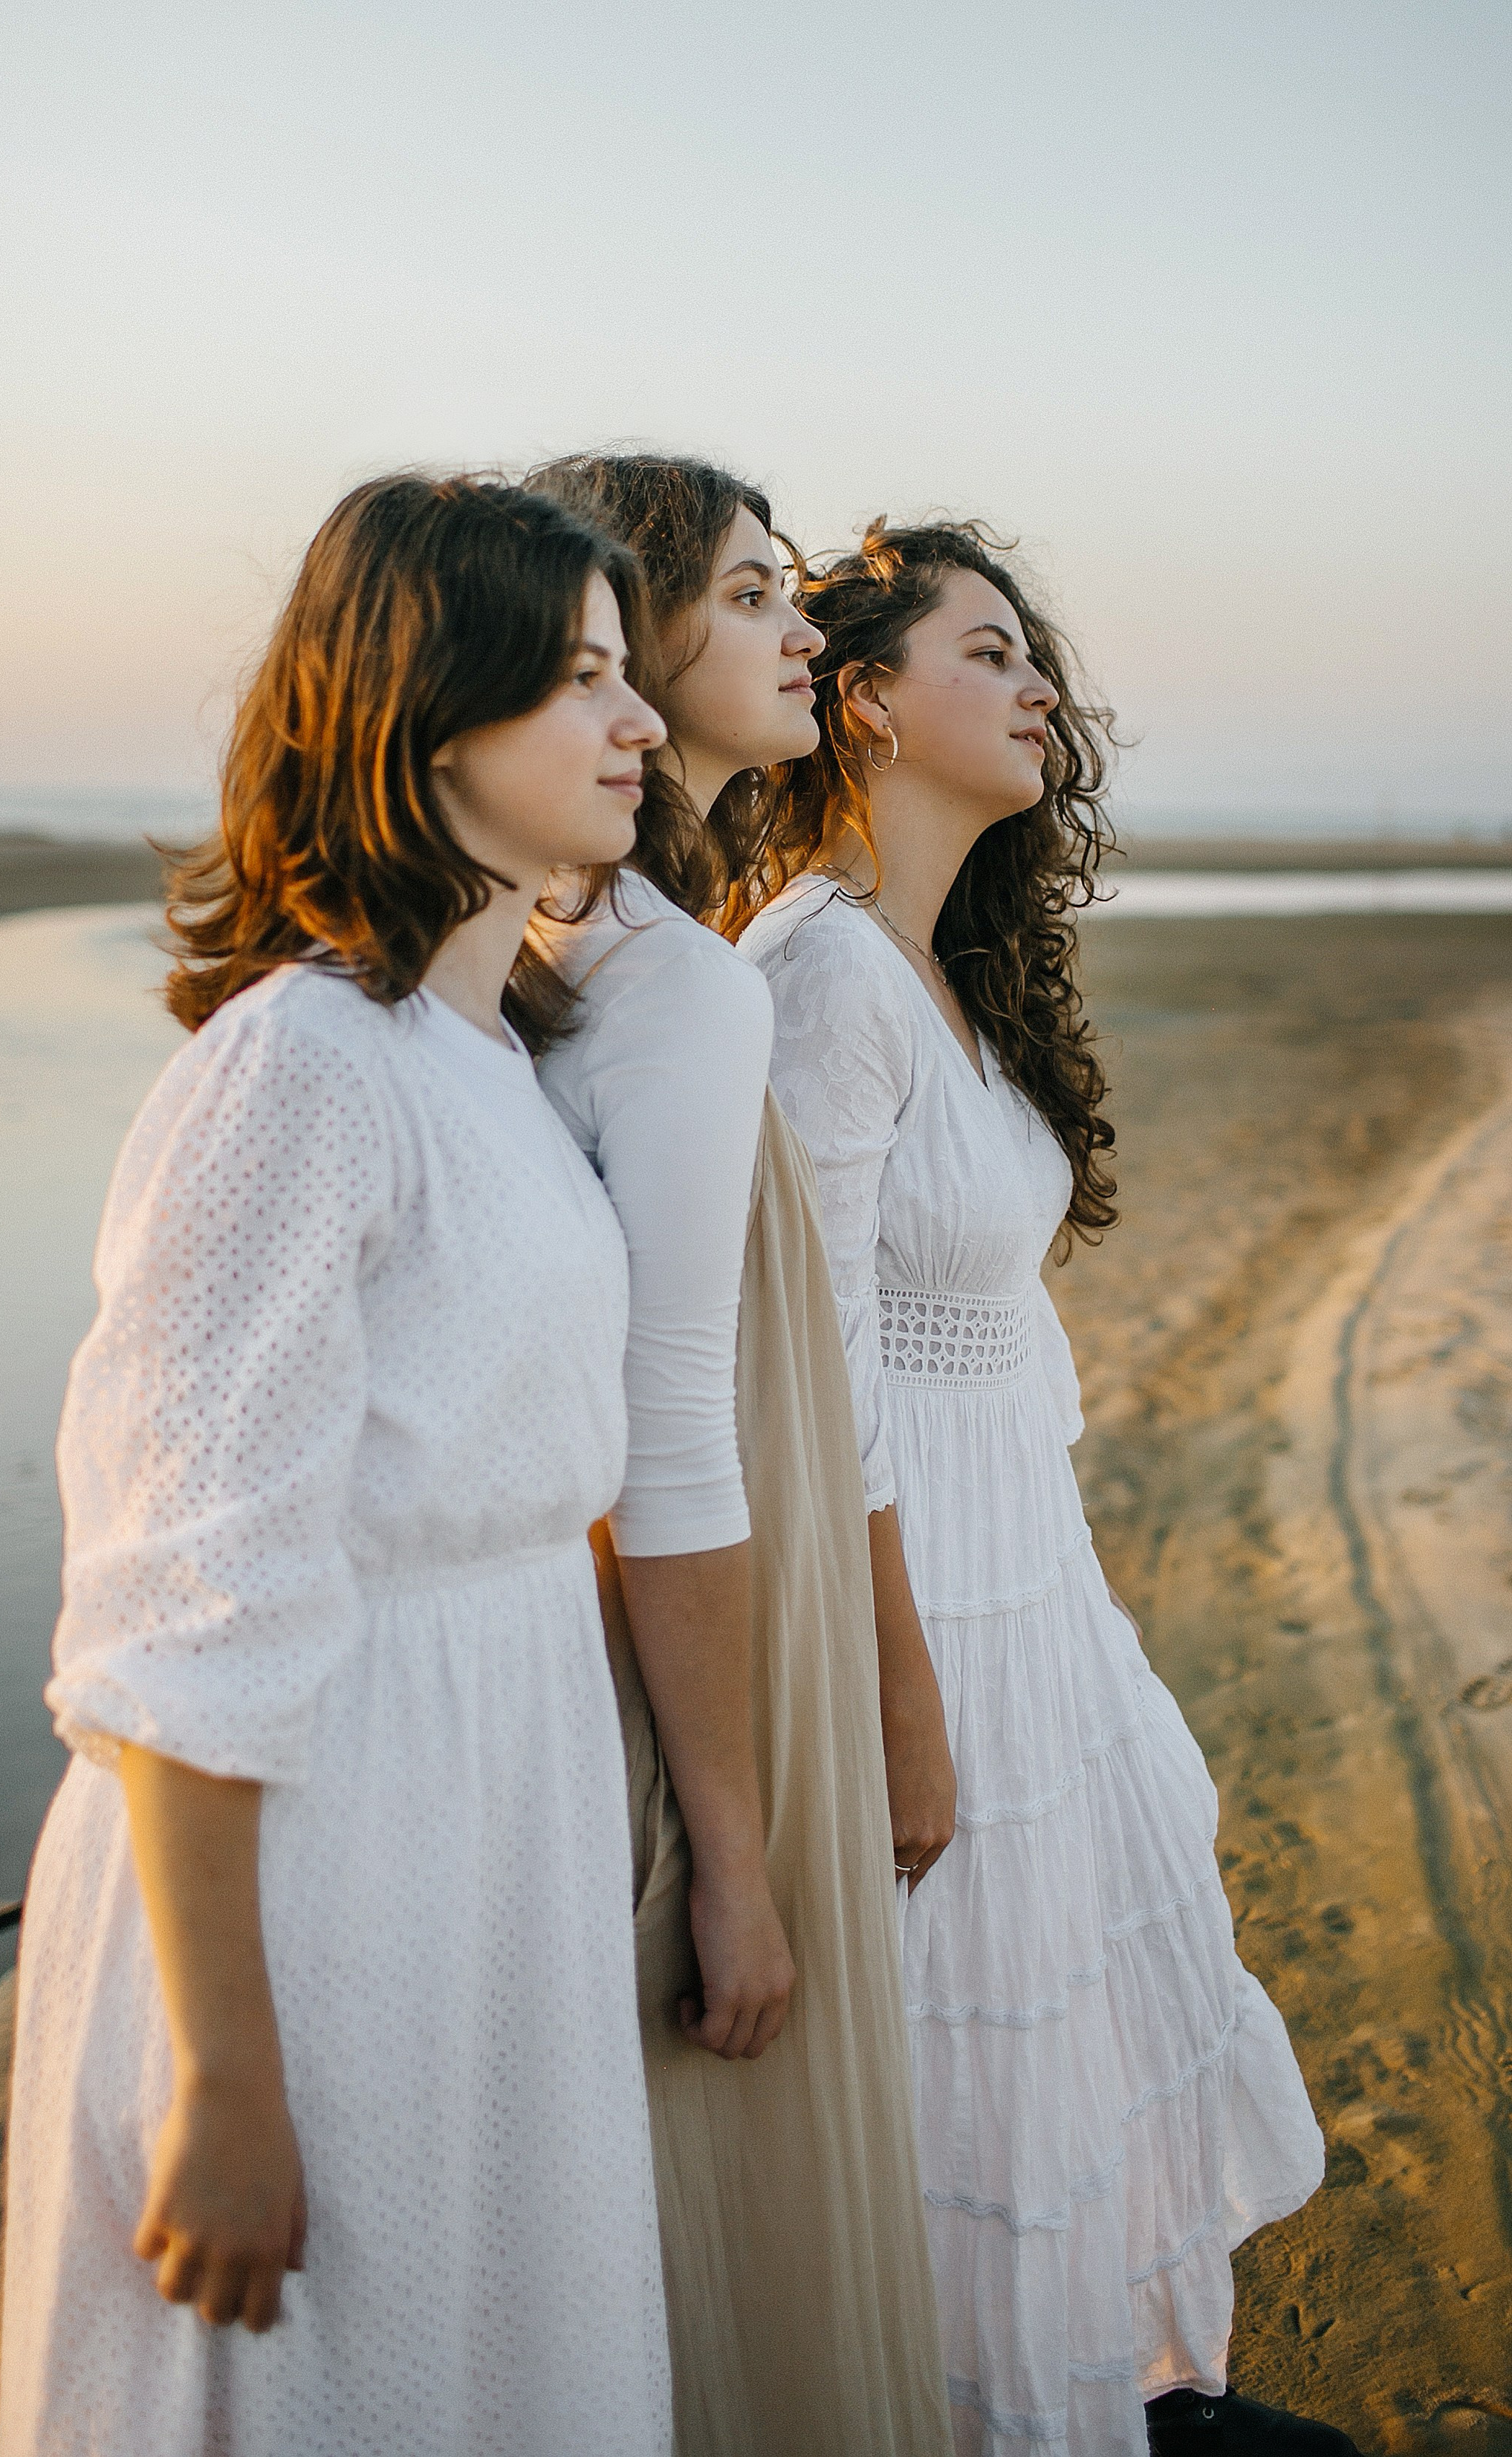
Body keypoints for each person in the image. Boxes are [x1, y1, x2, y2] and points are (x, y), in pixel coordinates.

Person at [0, 473, 674, 2457]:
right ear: (430, 716)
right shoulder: (298, 1067)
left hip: (495, 1810)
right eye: (581, 678)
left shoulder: (492, 1063)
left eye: (631, 673)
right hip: (330, 1845)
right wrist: (220, 2072)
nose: (640, 720)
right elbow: (182, 1611)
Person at [739, 519, 1349, 2457]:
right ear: (863, 701)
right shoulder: (820, 976)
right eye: (988, 652)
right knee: (961, 2038)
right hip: (917, 1599)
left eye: (1034, 659)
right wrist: (902, 1694)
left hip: (1020, 1567)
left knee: (1064, 2009)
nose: (1036, 689)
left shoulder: (933, 968)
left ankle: (1124, 2389)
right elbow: (812, 1381)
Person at [530, 453, 953, 2457]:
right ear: (628, 625)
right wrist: (740, 1833)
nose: (806, 629)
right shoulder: (658, 972)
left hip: (717, 1580)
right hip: (711, 1608)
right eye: (757, 593)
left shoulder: (652, 934)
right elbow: (669, 1421)